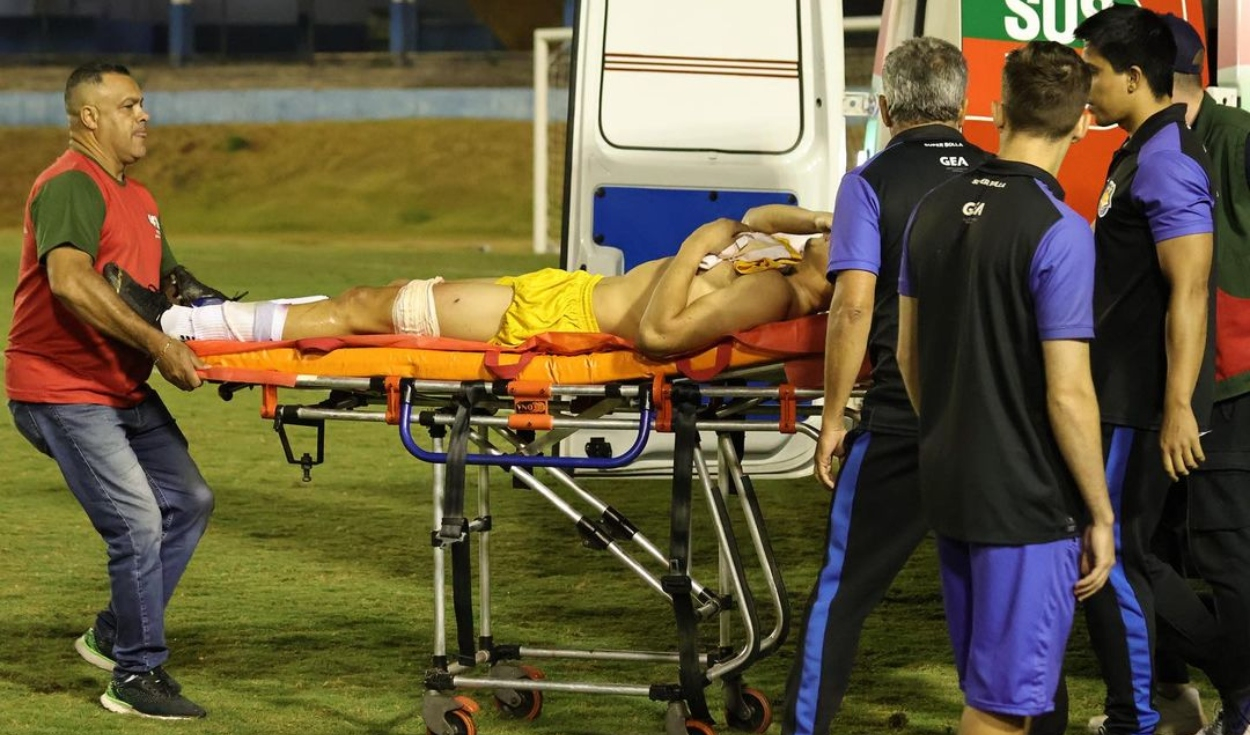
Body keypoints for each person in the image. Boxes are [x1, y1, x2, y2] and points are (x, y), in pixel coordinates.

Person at [896, 40, 1116, 735]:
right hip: (1025, 502)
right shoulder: (1061, 231)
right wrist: (1102, 512)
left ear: (995, 110)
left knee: (997, 689)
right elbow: (1068, 394)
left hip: (952, 480)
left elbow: (908, 354)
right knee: (1000, 708)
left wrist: (953, 431)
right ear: (1084, 122)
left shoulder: (932, 205)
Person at [781, 37, 994, 735]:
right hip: (992, 423)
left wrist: (835, 413)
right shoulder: (1007, 179)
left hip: (903, 418)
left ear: (884, 106)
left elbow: (852, 306)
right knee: (1004, 598)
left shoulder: (869, 183)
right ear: (962, 105)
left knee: (843, 590)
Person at [5, 62, 217, 719]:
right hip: (61, 385)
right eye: (128, 105)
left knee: (190, 499)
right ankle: (136, 673)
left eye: (142, 104)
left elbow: (173, 286)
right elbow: (69, 280)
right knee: (137, 520)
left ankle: (113, 631)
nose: (144, 115)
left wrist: (248, 338)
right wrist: (159, 345)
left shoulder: (141, 198)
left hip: (117, 385)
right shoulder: (71, 183)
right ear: (89, 117)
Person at [104, 206, 836, 360]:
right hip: (559, 289)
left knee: (368, 307)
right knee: (369, 298)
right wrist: (809, 217)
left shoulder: (779, 290)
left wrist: (698, 246)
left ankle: (192, 324)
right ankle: (209, 312)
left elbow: (659, 335)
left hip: (556, 313)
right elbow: (756, 213)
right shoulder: (783, 250)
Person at [1073, 7, 1217, 735]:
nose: (1083, 84)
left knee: (1118, 553)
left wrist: (1177, 405)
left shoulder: (1167, 159)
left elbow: (1190, 289)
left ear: (1134, 76)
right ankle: (1175, 700)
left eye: (1093, 71)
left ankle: (1144, 715)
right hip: (1116, 393)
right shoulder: (1136, 149)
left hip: (1135, 401)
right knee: (1126, 552)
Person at [1138, 15, 1250, 735]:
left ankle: (1242, 702)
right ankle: (1180, 695)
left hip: (1232, 378)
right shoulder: (1149, 143)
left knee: (1226, 548)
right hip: (1170, 379)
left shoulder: (1235, 138)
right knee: (1157, 547)